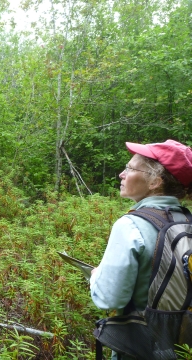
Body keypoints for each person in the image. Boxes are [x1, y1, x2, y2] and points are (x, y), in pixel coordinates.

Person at [89, 139, 192, 360]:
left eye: (130, 168)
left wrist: (96, 277)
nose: (121, 174)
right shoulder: (187, 221)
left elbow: (110, 300)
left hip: (140, 348)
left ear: (155, 181)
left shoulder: (130, 226)